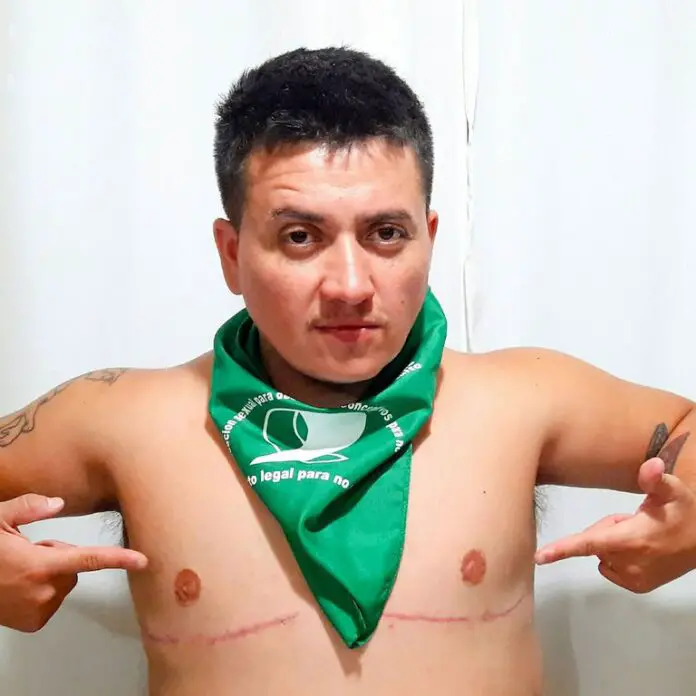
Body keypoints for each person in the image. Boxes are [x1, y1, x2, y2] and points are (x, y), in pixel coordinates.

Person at [1, 46, 695, 696]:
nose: (351, 286)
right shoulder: (128, 419)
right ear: (232, 253)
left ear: (429, 237)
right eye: (300, 237)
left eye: (386, 234)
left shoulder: (523, 399)